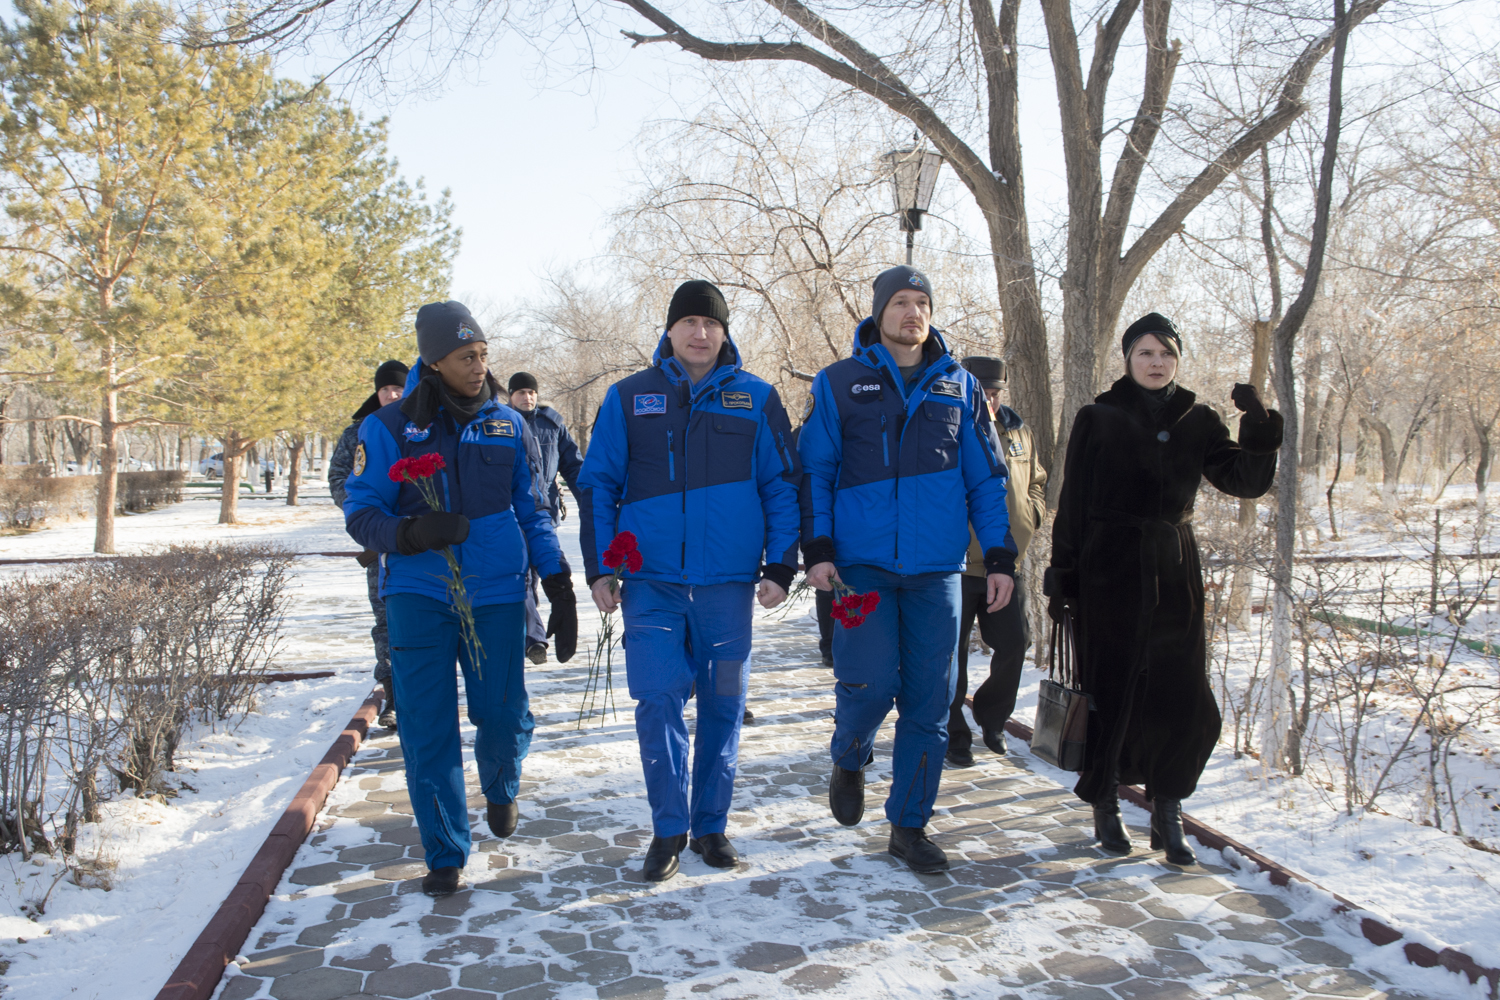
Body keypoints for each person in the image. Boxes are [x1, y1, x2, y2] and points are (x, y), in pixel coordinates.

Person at [343, 300, 578, 897]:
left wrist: (556, 581)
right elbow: (361, 511)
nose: (479, 367)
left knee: (500, 713)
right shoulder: (388, 428)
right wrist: (410, 534)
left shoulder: (507, 423)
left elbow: (532, 507)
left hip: (497, 593)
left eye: (483, 356)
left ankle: (501, 783)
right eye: (466, 357)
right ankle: (445, 850)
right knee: (426, 727)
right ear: (433, 359)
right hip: (419, 593)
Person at [578, 279, 800, 883]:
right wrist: (601, 567)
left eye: (712, 324)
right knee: (656, 701)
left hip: (728, 588)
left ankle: (710, 827)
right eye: (690, 323)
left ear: (725, 334)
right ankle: (668, 828)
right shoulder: (630, 398)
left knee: (724, 706)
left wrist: (781, 565)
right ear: (670, 331)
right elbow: (598, 484)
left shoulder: (756, 399)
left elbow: (782, 486)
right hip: (651, 584)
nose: (701, 333)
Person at [798, 265, 1017, 874]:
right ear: (878, 312)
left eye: (921, 302)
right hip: (860, 571)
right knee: (868, 685)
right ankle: (850, 753)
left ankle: (909, 826)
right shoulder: (839, 383)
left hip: (936, 572)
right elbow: (814, 470)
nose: (912, 312)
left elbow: (987, 479)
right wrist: (817, 549)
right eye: (900, 302)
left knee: (931, 699)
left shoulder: (961, 386)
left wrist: (999, 556)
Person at [1046, 313, 1281, 865]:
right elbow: (1074, 502)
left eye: (1166, 354)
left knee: (1179, 694)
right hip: (1108, 571)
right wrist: (1064, 578)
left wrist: (1260, 427)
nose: (1156, 363)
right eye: (1146, 353)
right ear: (1128, 357)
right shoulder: (1097, 417)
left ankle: (1167, 809)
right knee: (1111, 685)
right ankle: (1104, 799)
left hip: (1175, 571)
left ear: (1178, 359)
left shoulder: (1200, 419)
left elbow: (1244, 480)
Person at [946, 356, 1048, 766]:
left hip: (1008, 565)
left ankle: (992, 718)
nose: (989, 398)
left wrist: (1033, 513)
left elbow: (1037, 481)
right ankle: (954, 732)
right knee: (949, 655)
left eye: (995, 391)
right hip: (958, 565)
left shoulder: (1019, 430)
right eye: (981, 390)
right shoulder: (949, 428)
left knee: (1014, 644)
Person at [329, 359, 409, 729]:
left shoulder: (421, 425)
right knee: (385, 620)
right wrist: (364, 512)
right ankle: (393, 696)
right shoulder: (358, 432)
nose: (392, 395)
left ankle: (424, 694)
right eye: (385, 390)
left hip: (422, 541)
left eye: (398, 388)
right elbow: (340, 477)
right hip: (379, 543)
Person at [506, 371, 585, 666]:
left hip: (544, 511)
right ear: (511, 396)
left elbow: (574, 467)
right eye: (521, 393)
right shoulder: (501, 425)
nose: (527, 397)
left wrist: (590, 503)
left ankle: (532, 632)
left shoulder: (552, 425)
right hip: (509, 514)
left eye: (531, 392)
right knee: (521, 574)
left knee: (538, 573)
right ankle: (534, 638)